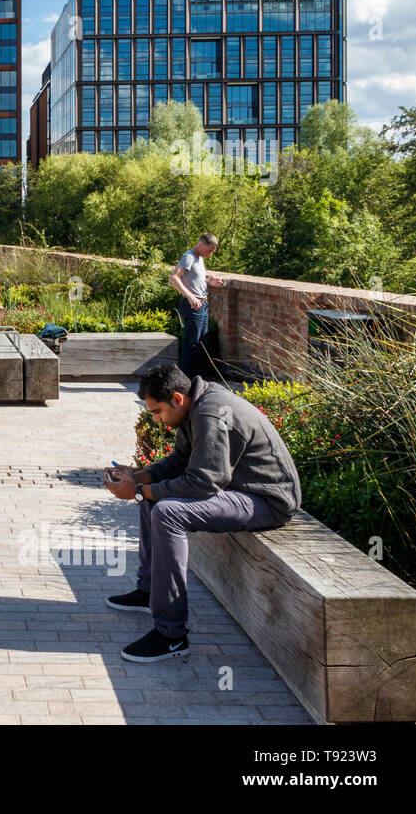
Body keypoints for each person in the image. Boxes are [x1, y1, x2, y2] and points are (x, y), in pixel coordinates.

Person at [103, 365, 301, 663]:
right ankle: (149, 591)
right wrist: (140, 477)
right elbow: (182, 462)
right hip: (238, 490)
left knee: (167, 511)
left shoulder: (211, 414)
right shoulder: (195, 405)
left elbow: (203, 482)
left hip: (266, 500)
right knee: (154, 497)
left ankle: (171, 635)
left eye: (157, 412)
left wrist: (139, 491)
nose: (156, 420)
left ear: (177, 399)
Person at [170, 232, 225, 378]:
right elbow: (174, 277)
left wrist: (209, 282)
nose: (211, 254)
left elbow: (193, 280)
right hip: (193, 306)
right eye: (210, 250)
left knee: (202, 344)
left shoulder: (199, 258)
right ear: (201, 245)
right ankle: (185, 381)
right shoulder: (189, 257)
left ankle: (199, 380)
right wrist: (190, 296)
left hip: (202, 306)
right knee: (192, 345)